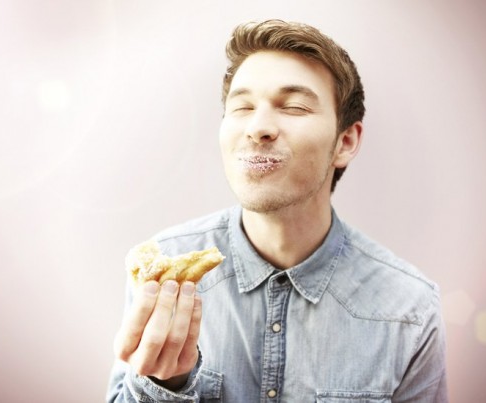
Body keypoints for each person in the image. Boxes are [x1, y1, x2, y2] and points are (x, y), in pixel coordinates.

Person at [106, 19, 448, 402]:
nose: (259, 127)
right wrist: (165, 385)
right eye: (242, 106)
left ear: (345, 141)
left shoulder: (410, 309)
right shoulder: (164, 270)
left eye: (295, 106)